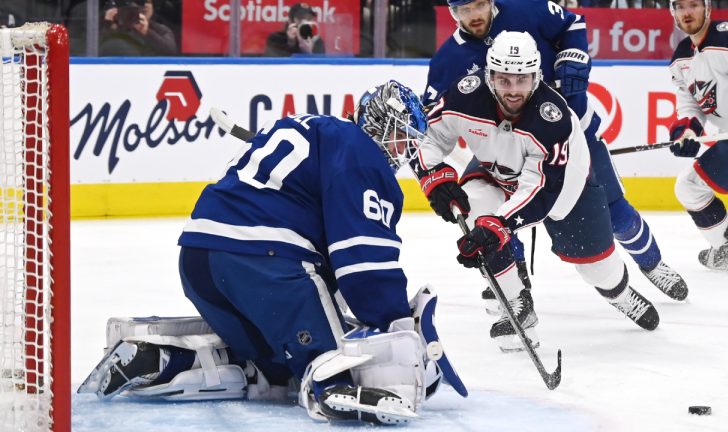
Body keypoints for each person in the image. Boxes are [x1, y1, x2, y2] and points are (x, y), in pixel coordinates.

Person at [76, 81, 467, 424]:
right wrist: (394, 322)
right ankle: (332, 388)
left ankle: (163, 360)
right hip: (266, 261)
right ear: (380, 125)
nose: (401, 151)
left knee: (271, 370)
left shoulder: (304, 128)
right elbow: (364, 263)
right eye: (401, 136)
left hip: (200, 257)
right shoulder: (360, 151)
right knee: (326, 360)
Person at [421, 0, 687, 350]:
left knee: (614, 217)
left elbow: (541, 187)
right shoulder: (449, 66)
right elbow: (431, 129)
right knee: (479, 212)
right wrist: (434, 174)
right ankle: (516, 297)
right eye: (462, 8)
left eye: (479, 3)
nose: (473, 14)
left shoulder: (527, 12)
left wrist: (573, 56)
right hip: (502, 153)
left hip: (565, 153)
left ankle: (637, 277)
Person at [667, 0, 728, 272]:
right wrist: (687, 131)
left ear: (707, 8)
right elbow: (690, 104)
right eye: (680, 7)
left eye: (694, 5)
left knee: (689, 187)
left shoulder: (727, 37)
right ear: (673, 12)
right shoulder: (680, 60)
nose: (688, 12)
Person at [100, 0, 177, 56]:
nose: (145, 6)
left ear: (153, 8)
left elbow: (171, 51)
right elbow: (94, 46)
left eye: (148, 2)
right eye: (139, 2)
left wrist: (147, 32)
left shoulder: (160, 29)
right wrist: (107, 23)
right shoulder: (116, 25)